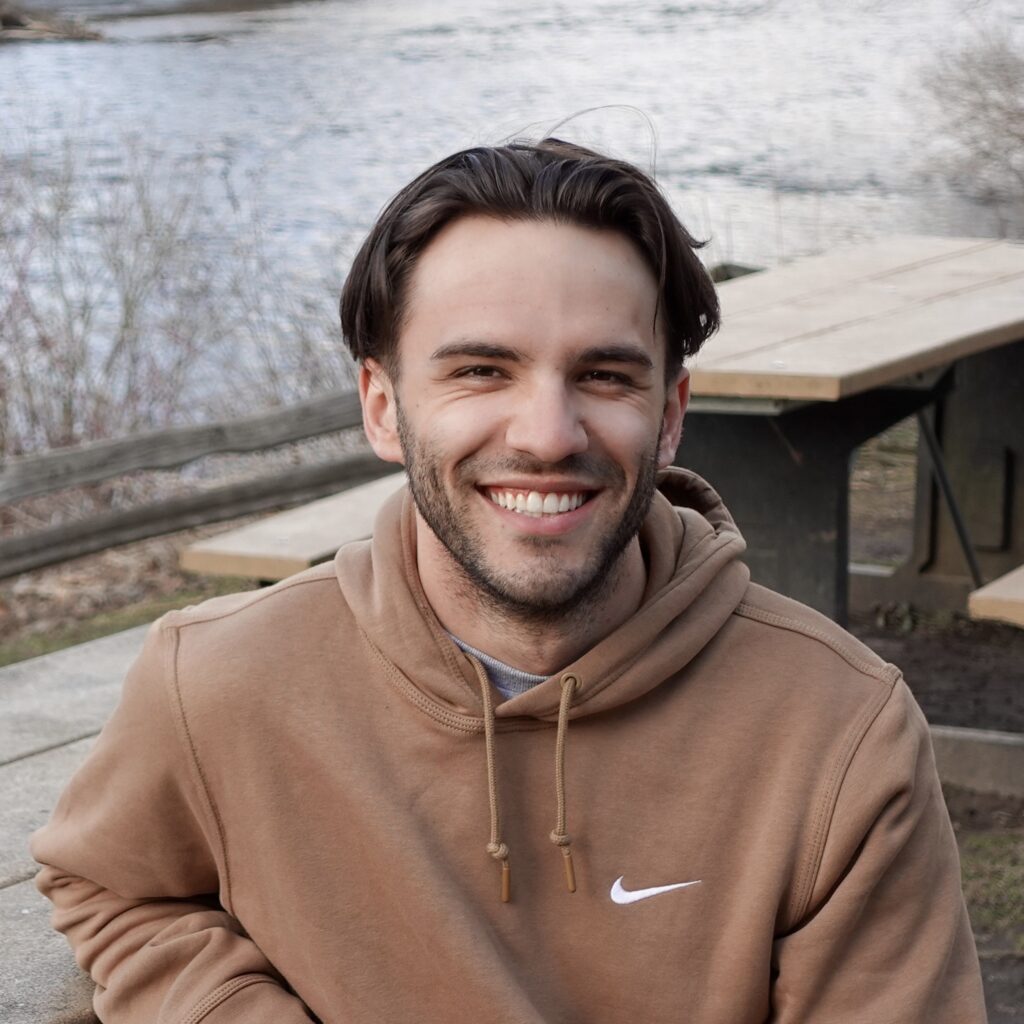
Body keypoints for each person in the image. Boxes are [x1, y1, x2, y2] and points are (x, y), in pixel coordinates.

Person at [32, 138, 987, 1024]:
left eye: (606, 376)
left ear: (670, 416)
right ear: (382, 407)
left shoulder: (839, 729)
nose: (546, 433)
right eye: (483, 370)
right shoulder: (214, 683)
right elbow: (111, 884)